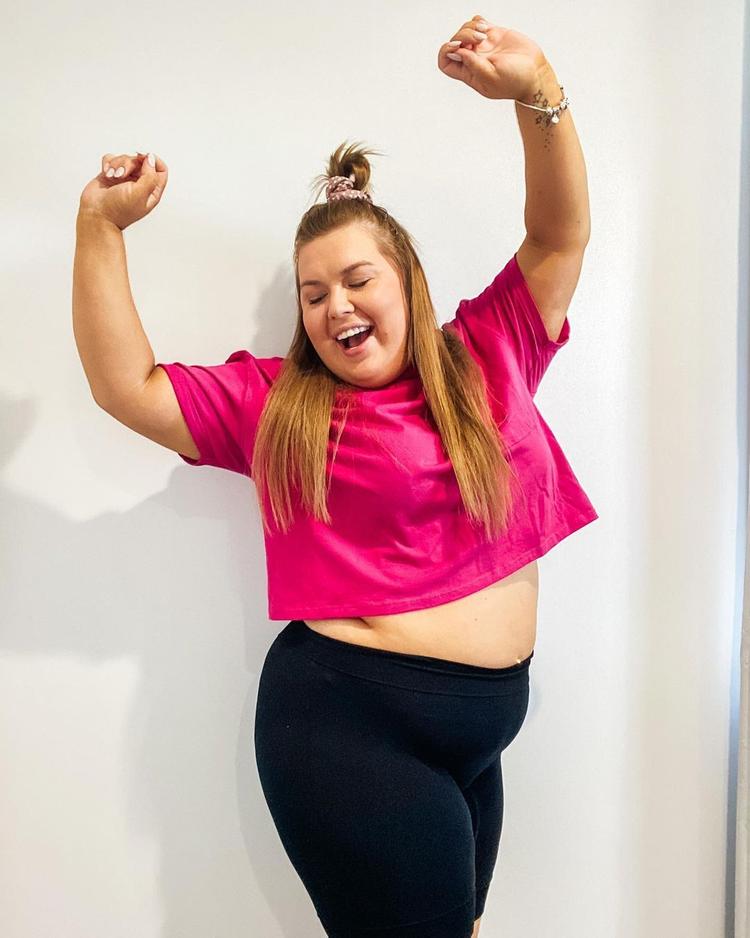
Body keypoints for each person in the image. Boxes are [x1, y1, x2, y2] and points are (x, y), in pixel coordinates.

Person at [72, 15, 596, 938]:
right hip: (350, 731)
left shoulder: (490, 349)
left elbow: (558, 239)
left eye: (357, 280)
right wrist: (99, 228)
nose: (334, 307)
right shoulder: (282, 407)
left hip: (477, 740)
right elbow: (128, 387)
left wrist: (537, 90)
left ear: (406, 281)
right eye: (313, 295)